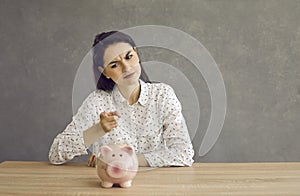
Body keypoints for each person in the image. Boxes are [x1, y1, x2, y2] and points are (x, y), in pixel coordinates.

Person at [48, 31, 194, 167]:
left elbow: (184, 153)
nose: (126, 68)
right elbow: (55, 154)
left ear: (136, 53)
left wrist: (120, 160)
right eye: (114, 64)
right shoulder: (97, 102)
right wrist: (98, 129)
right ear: (104, 72)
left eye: (129, 57)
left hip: (156, 186)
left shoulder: (162, 95)